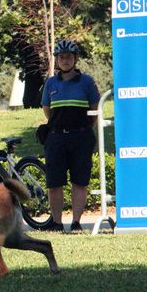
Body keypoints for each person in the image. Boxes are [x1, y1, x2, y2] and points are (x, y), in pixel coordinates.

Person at [40, 39, 100, 233]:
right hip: (56, 138)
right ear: (57, 60)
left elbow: (94, 110)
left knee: (79, 181)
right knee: (54, 182)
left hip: (80, 137)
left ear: (75, 59)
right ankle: (57, 223)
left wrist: (81, 128)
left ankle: (76, 222)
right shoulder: (51, 83)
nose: (65, 60)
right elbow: (47, 110)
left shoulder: (87, 82)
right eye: (61, 57)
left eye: (68, 57)